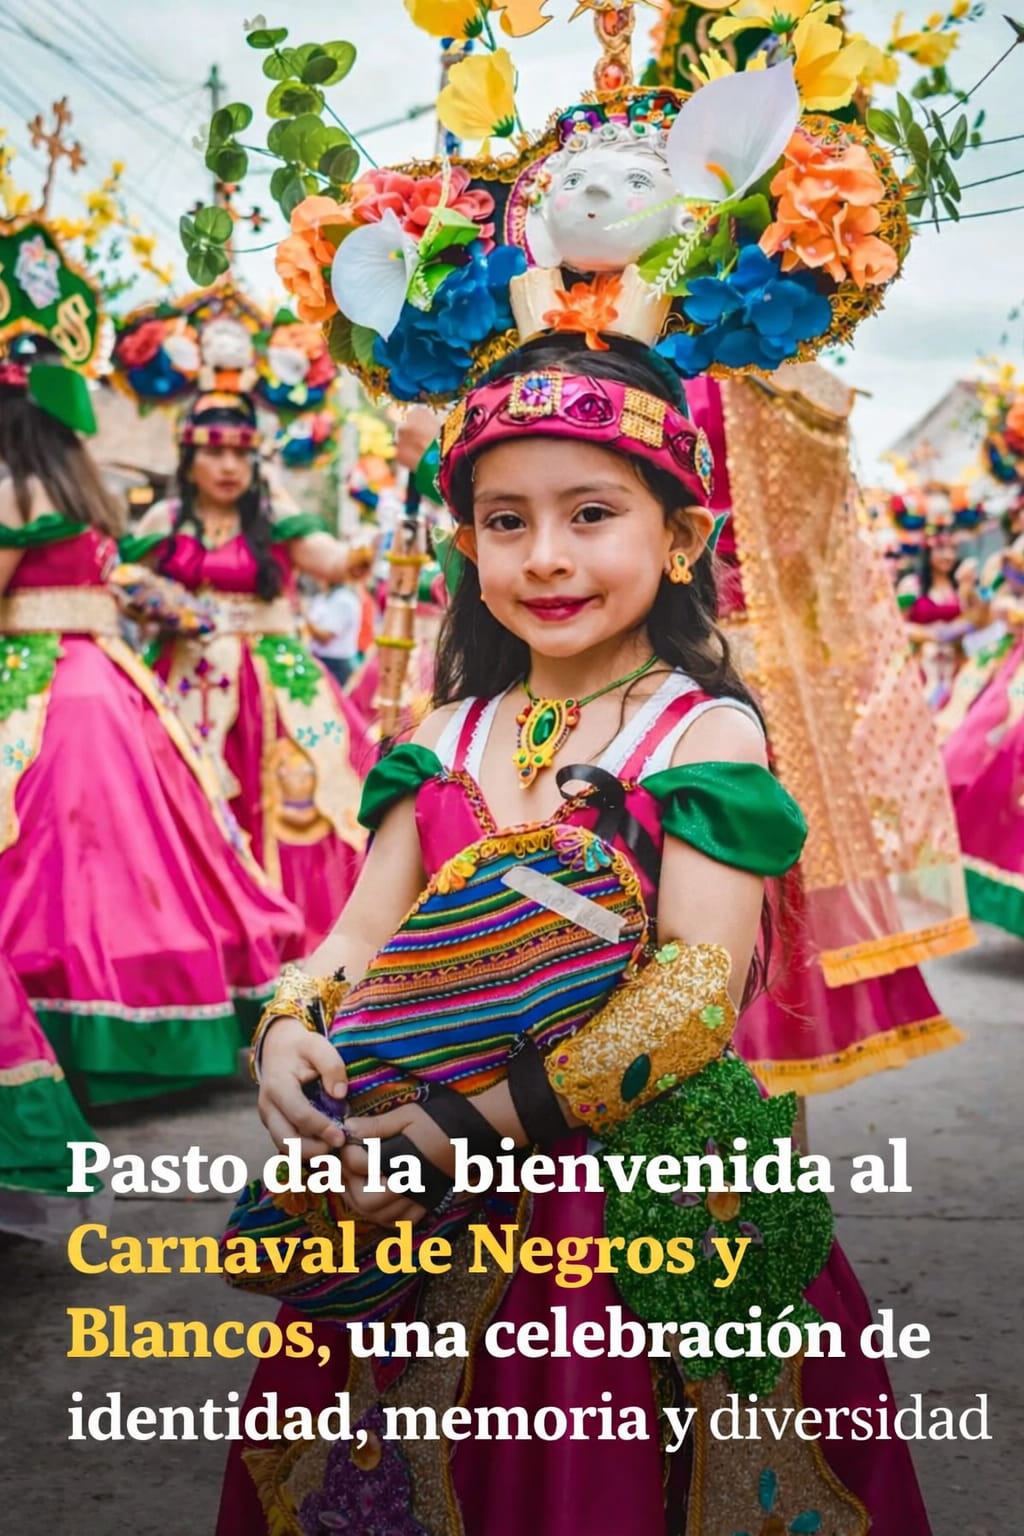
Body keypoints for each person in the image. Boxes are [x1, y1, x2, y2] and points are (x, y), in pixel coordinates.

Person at [218, 338, 931, 1535]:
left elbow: (692, 999)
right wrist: (291, 1028)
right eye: (506, 522)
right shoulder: (439, 736)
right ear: (467, 545)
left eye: (591, 513)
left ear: (682, 539)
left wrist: (460, 1131)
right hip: (405, 1189)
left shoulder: (702, 739)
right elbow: (352, 942)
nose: (545, 556)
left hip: (618, 1222)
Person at [0, 348, 303, 1107]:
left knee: (56, 867)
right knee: (129, 862)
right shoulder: (86, 490)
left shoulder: (13, 493)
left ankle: (60, 1036)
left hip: (47, 690)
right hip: (108, 684)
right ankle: (142, 1027)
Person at [123, 393, 370, 950]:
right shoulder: (164, 518)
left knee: (302, 800)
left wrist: (368, 550)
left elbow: (332, 560)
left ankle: (302, 940)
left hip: (275, 689)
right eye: (215, 454)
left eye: (241, 453)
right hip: (181, 678)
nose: (230, 467)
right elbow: (122, 581)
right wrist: (155, 602)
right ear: (188, 459)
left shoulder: (274, 515)